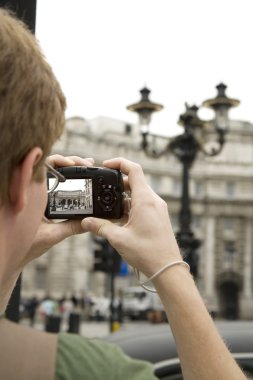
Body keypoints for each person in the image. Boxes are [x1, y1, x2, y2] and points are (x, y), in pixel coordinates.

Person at [0, 8, 247, 380]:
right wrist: (170, 267)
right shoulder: (87, 371)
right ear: (22, 178)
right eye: (43, 174)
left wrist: (11, 255)